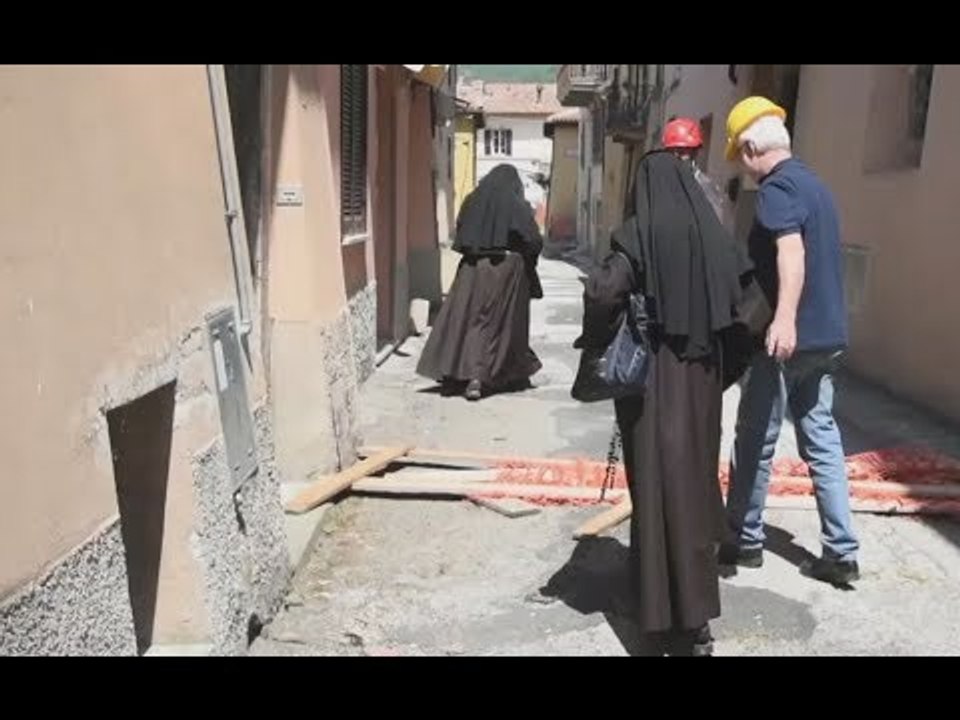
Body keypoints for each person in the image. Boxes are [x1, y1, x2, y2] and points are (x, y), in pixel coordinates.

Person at [577, 150, 755, 655]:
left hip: (652, 386)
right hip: (700, 383)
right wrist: (729, 364)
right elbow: (751, 306)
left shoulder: (637, 233)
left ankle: (656, 618)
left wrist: (600, 337)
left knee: (656, 491)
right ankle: (696, 624)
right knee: (696, 489)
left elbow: (604, 291)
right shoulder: (716, 236)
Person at [720, 96, 860, 585]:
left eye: (740, 152)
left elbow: (792, 255)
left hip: (787, 341)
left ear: (756, 146)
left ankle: (742, 541)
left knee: (755, 437)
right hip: (827, 338)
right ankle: (842, 553)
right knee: (821, 438)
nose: (742, 164)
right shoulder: (817, 187)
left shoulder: (777, 189)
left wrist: (782, 320)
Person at [416, 164, 544, 401]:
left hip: (471, 270)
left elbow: (462, 229)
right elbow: (533, 240)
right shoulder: (516, 205)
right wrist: (525, 260)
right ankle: (480, 376)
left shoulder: (472, 200)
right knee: (499, 325)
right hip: (505, 270)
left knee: (465, 321)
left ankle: (456, 373)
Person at [660, 117, 732, 228]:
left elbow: (714, 231)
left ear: (694, 153)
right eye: (671, 152)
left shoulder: (704, 187)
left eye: (681, 152)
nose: (675, 157)